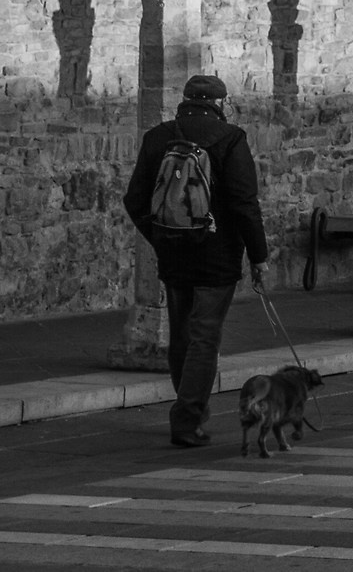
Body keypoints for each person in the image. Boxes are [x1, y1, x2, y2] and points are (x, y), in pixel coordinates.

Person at [124, 74, 269, 448]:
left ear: (185, 100)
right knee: (205, 337)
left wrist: (159, 236)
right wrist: (259, 257)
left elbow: (134, 199)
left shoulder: (158, 137)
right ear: (220, 104)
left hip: (173, 252)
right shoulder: (230, 138)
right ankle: (187, 420)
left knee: (182, 335)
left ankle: (191, 410)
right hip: (216, 254)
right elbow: (243, 204)